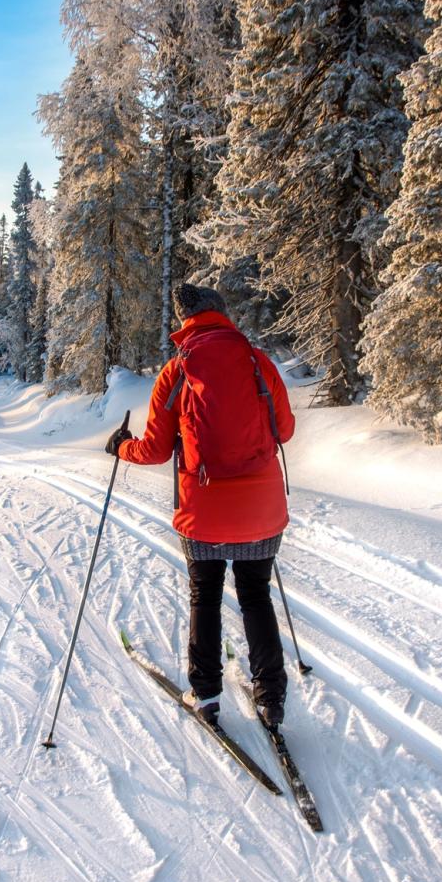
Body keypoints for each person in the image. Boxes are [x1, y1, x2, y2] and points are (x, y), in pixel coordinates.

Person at [106, 283, 296, 729]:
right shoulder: (257, 361)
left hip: (203, 512)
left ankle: (206, 694)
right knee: (255, 595)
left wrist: (122, 448)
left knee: (205, 597)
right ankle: (271, 698)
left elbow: (153, 450)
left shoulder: (177, 371)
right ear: (222, 313)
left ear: (184, 320)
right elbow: (284, 431)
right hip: (261, 510)